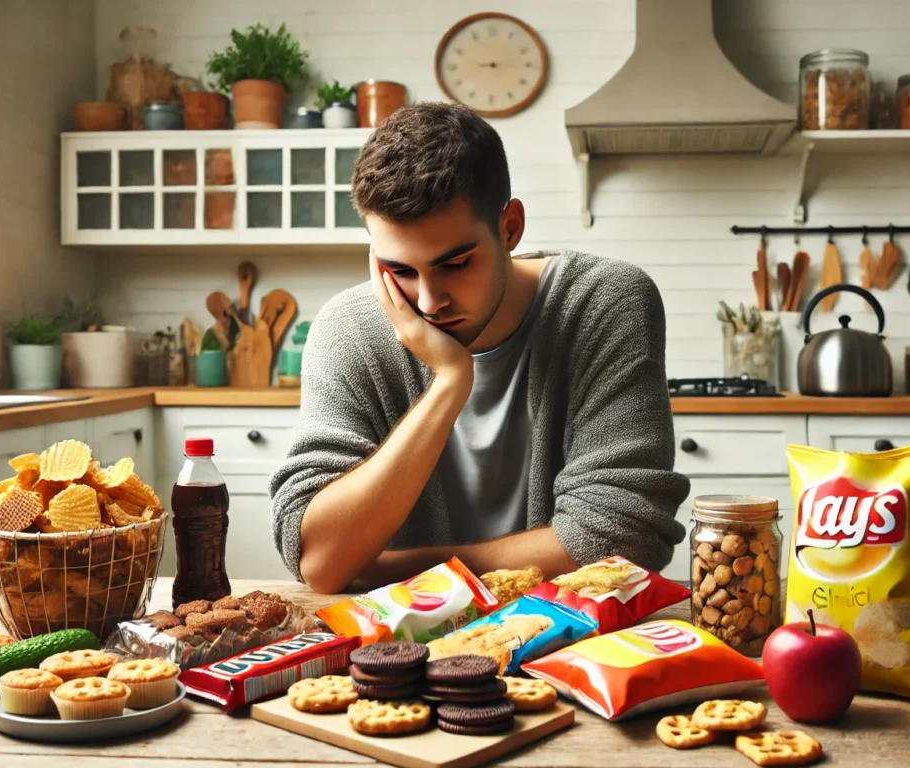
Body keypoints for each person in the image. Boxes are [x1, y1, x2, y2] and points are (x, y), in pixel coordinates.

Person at [270, 102, 689, 594]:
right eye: (399, 270)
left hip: (575, 647)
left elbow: (622, 539)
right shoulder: (349, 330)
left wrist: (382, 566)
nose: (429, 302)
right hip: (398, 656)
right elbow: (319, 560)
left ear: (510, 228)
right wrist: (449, 383)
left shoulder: (604, 300)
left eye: (456, 264)